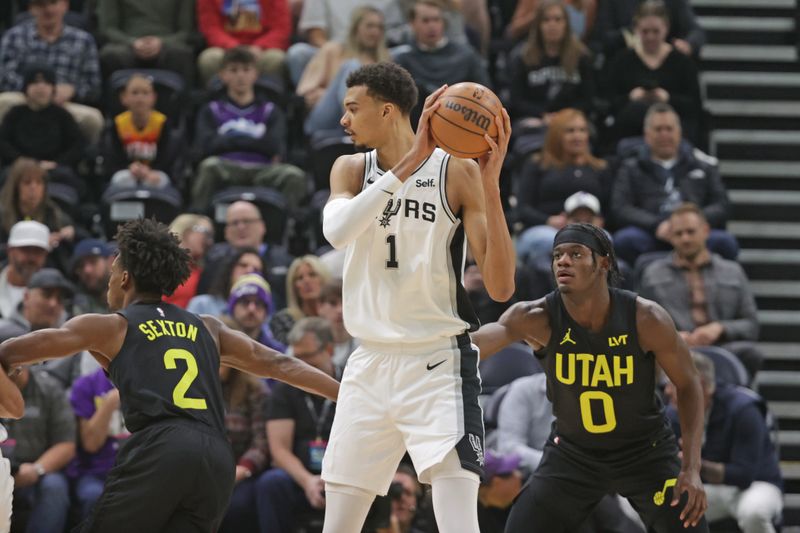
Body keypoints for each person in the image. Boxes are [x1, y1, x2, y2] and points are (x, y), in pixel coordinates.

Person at [0, 217, 339, 532]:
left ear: (124, 277)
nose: (108, 279)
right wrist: (346, 395)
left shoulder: (109, 326)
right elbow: (281, 365)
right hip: (216, 457)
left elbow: (12, 351)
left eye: (113, 269)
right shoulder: (209, 327)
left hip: (162, 448)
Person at [319, 61, 515, 533]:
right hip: (367, 364)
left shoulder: (458, 173)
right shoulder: (350, 169)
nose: (343, 120)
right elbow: (338, 232)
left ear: (387, 111)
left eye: (352, 109)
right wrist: (407, 165)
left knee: (457, 525)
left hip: (438, 364)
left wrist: (490, 186)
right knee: (338, 526)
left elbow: (501, 287)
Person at [470, 222, 708, 532]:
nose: (563, 261)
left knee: (689, 523)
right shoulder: (537, 317)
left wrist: (691, 468)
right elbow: (479, 342)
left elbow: (689, 384)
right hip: (573, 454)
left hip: (645, 451)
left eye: (575, 254)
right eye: (557, 255)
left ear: (604, 263)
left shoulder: (645, 317)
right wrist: (432, 349)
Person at [639, 203, 764, 381]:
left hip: (723, 347)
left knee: (751, 353)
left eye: (691, 232)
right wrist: (669, 336)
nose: (685, 239)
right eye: (678, 234)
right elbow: (640, 326)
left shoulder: (732, 271)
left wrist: (720, 328)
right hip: (674, 349)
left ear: (705, 230)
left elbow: (751, 325)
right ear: (670, 237)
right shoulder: (653, 274)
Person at [665, 352, 783, 533]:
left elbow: (744, 475)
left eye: (673, 383)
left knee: (754, 513)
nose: (666, 390)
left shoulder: (743, 409)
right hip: (709, 488)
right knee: (660, 510)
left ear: (699, 385)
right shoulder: (673, 414)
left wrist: (692, 463)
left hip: (756, 484)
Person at [611, 103, 736, 266]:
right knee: (625, 240)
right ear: (647, 135)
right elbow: (620, 207)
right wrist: (656, 225)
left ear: (679, 132)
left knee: (725, 242)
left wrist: (693, 223)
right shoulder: (631, 167)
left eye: (669, 129)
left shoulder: (702, 165)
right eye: (658, 129)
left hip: (694, 232)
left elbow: (722, 204)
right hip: (652, 232)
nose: (664, 134)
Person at [191, 47, 307, 212]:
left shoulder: (270, 110)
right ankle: (199, 218)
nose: (240, 76)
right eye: (233, 70)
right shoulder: (211, 109)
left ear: (255, 74)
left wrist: (229, 140)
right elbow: (206, 147)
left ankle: (288, 226)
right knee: (208, 166)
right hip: (225, 168)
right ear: (223, 75)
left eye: (246, 70)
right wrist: (254, 142)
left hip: (264, 170)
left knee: (293, 175)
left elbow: (275, 147)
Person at [260, 317, 339, 532]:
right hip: (299, 475)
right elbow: (279, 450)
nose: (300, 365)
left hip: (343, 472)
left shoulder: (350, 382)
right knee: (271, 483)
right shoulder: (284, 389)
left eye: (308, 357)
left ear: (329, 349)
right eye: (297, 357)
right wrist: (307, 482)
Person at [513, 108, 610, 266]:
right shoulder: (537, 164)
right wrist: (549, 220)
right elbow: (522, 209)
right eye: (570, 131)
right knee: (547, 241)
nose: (577, 136)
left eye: (582, 130)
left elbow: (609, 208)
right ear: (556, 135)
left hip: (589, 228)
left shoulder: (600, 168)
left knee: (605, 239)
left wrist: (597, 222)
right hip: (545, 229)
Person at [0, 0, 103, 143]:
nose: (48, 10)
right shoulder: (14, 36)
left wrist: (73, 90)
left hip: (65, 105)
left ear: (65, 5)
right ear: (32, 9)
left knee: (93, 119)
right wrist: (33, 90)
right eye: (41, 5)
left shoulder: (84, 40)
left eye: (53, 3)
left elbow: (93, 86)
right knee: (3, 101)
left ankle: (87, 163)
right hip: (24, 101)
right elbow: (4, 76)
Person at [606, 1, 702, 143]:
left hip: (675, 135)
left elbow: (695, 106)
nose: (650, 37)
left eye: (656, 31)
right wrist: (631, 97)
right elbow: (609, 103)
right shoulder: (622, 61)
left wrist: (667, 98)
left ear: (666, 28)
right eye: (645, 32)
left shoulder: (682, 62)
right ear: (636, 29)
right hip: (631, 133)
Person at [301, 6, 390, 137]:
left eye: (379, 27)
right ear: (355, 29)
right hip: (325, 121)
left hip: (370, 119)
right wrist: (328, 93)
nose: (375, 32)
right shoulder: (333, 50)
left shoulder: (386, 61)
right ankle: (357, 123)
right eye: (370, 26)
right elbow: (305, 94)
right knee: (351, 66)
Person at [392, 0, 491, 118]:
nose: (432, 26)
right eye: (425, 21)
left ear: (443, 23)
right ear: (412, 24)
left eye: (436, 20)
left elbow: (485, 96)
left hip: (460, 120)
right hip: (416, 126)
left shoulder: (466, 56)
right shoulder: (403, 59)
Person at [0, 64, 85, 197]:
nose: (41, 87)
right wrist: (21, 161)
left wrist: (58, 163)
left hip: (54, 168)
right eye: (35, 82)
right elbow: (3, 142)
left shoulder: (62, 115)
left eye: (46, 83)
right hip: (19, 166)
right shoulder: (15, 114)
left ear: (53, 89)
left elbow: (77, 144)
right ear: (26, 88)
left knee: (72, 181)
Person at [508, 1, 595, 127]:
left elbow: (588, 100)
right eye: (546, 20)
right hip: (535, 119)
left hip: (572, 120)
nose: (552, 25)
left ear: (566, 24)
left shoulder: (581, 57)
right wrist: (542, 115)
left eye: (558, 19)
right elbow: (516, 100)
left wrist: (564, 117)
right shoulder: (523, 57)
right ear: (538, 25)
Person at [197, 200, 294, 310]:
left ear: (262, 226)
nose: (241, 227)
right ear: (226, 232)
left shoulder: (285, 262)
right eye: (234, 223)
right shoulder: (213, 263)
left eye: (247, 221)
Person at [68, 368, 128, 521]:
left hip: (138, 470)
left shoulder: (147, 383)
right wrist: (109, 403)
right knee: (94, 497)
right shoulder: (86, 385)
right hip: (95, 473)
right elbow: (91, 445)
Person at [217, 360, 270, 533]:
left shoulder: (255, 389)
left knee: (235, 507)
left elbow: (261, 442)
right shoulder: (197, 386)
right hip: (208, 468)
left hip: (243, 470)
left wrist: (242, 469)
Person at [96, 0, 196, 84]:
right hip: (126, 43)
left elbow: (186, 31)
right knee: (111, 55)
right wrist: (132, 42)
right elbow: (108, 28)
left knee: (181, 54)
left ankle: (183, 106)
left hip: (168, 43)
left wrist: (162, 42)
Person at [103, 73, 173, 190]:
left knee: (157, 181)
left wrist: (150, 170)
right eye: (134, 93)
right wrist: (129, 166)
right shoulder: (118, 123)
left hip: (155, 170)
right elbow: (112, 156)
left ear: (153, 98)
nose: (140, 98)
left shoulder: (161, 122)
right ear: (124, 97)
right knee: (121, 179)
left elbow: (167, 156)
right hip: (127, 170)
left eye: (145, 93)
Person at [197, 0, 291, 86]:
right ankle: (218, 99)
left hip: (262, 49)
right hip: (226, 48)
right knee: (209, 58)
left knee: (276, 58)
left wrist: (260, 46)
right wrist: (232, 46)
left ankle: (268, 99)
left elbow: (281, 28)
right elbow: (210, 28)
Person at [0, 157, 74, 249]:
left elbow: (71, 229)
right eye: (27, 183)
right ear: (15, 187)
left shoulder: (52, 212)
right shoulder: (2, 214)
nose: (33, 188)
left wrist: (68, 232)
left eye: (39, 183)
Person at [269, 255, 331, 346]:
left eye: (312, 274)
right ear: (294, 287)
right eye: (300, 278)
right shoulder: (283, 320)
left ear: (324, 279)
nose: (306, 281)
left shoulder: (338, 315)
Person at [189, 246, 264, 317]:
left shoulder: (262, 312)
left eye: (256, 270)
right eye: (243, 265)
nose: (249, 271)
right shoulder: (202, 305)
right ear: (230, 270)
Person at [0, 220, 50, 319]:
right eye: (25, 250)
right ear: (9, 251)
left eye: (38, 252)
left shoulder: (55, 297)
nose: (32, 258)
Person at [163, 214, 215, 308]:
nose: (209, 242)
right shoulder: (160, 267)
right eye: (206, 233)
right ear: (187, 232)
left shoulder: (204, 273)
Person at [228, 272, 285, 352]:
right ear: (232, 307)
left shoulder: (277, 353)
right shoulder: (217, 345)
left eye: (258, 303)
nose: (251, 309)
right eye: (245, 302)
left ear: (266, 311)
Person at [316, 279, 357, 369]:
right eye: (332, 303)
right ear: (319, 307)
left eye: (345, 303)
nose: (340, 310)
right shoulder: (309, 343)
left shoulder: (365, 344)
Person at [70, 239, 114, 315]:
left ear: (111, 262)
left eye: (93, 262)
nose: (87, 270)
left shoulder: (130, 294)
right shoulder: (81, 307)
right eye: (81, 266)